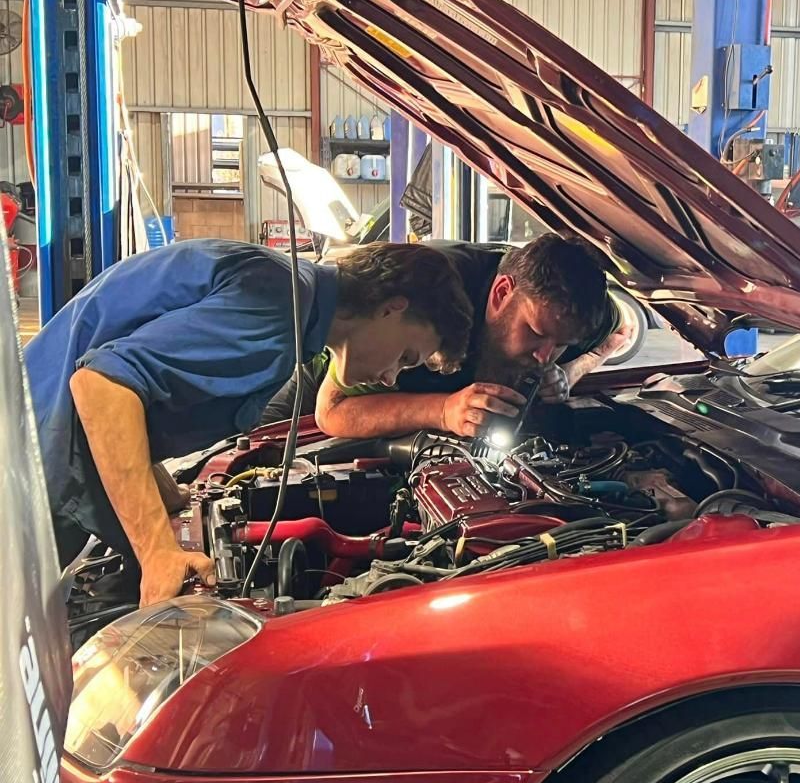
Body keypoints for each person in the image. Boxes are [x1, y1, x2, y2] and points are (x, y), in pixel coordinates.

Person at [27, 239, 472, 607]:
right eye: (406, 357)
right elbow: (102, 387)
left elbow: (140, 395)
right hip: (20, 485)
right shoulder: (279, 311)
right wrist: (157, 552)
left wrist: (162, 491)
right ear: (392, 307)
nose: (392, 376)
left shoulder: (287, 289)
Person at [260, 232, 631, 438]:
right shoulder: (434, 295)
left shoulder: (577, 310)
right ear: (501, 294)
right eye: (535, 333)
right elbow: (332, 412)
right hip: (319, 381)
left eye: (560, 345)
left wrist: (575, 367)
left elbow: (621, 328)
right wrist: (443, 410)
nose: (544, 356)